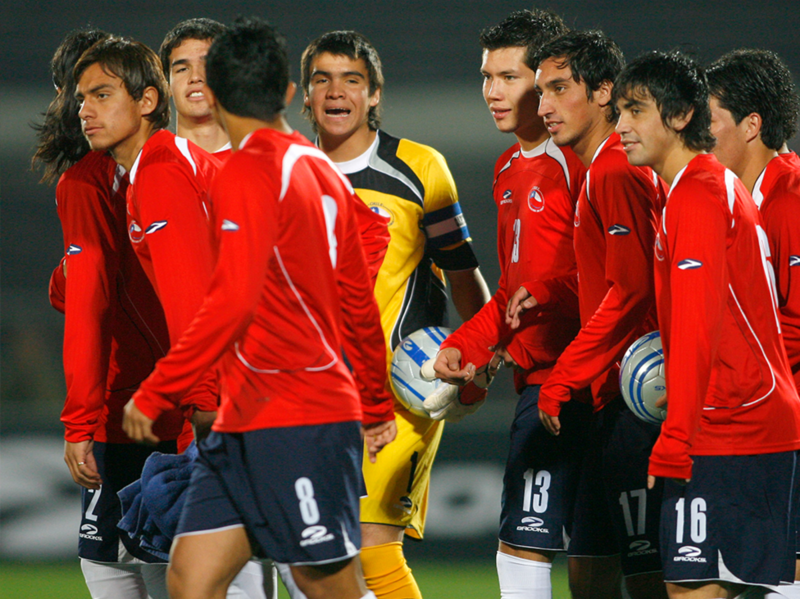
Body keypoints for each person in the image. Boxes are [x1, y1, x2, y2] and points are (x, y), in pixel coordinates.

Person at [120, 16, 396, 599]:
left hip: (299, 418)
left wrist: (159, 388)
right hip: (246, 423)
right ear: (291, 95)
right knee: (192, 580)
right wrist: (373, 402)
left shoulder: (248, 170)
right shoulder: (321, 169)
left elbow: (232, 299)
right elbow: (358, 305)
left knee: (327, 587)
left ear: (214, 95)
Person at [299, 29, 490, 599]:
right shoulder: (286, 171)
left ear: (375, 93)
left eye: (351, 80)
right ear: (304, 96)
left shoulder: (420, 170)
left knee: (373, 545)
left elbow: (462, 274)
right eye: (322, 80)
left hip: (402, 388)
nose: (337, 92)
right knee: (316, 554)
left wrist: (483, 352)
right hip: (309, 392)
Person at [614, 49, 800, 599]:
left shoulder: (696, 196)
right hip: (740, 418)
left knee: (696, 589)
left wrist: (676, 438)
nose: (620, 126)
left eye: (635, 110)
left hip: (733, 425)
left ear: (678, 117)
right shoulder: (703, 187)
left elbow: (697, 328)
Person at [431, 10, 587, 598]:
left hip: (585, 382)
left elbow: (598, 285)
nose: (492, 92)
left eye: (508, 77)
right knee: (551, 552)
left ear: (548, 80)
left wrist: (538, 305)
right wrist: (468, 346)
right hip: (538, 383)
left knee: (556, 553)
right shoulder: (505, 170)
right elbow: (512, 293)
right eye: (485, 76)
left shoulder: (580, 163)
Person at [507, 30, 668, 598]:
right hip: (606, 400)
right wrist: (552, 290)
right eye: (540, 91)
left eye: (558, 89)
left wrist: (563, 377)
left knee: (650, 577)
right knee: (590, 572)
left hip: (635, 402)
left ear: (604, 93)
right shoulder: (599, 169)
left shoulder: (614, 170)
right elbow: (607, 278)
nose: (543, 106)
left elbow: (630, 293)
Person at [32, 28, 187, 599]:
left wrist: (80, 421)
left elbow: (91, 302)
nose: (80, 108)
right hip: (182, 398)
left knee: (123, 559)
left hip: (135, 406)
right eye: (78, 96)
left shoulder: (95, 180)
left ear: (145, 99)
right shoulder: (154, 165)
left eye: (97, 93)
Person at [705, 49, 800, 599]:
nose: (699, 133)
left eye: (709, 120)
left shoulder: (788, 197)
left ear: (752, 124)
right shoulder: (740, 196)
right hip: (753, 419)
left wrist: (719, 362)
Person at [159, 18, 232, 157]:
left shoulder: (266, 163)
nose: (195, 77)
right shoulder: (147, 163)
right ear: (166, 85)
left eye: (207, 66)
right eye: (182, 69)